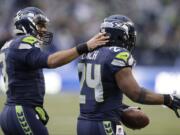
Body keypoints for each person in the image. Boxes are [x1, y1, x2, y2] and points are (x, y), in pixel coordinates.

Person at [0, 7, 109, 135]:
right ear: (26, 24)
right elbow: (51, 61)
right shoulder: (24, 42)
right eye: (40, 25)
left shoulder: (9, 45)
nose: (44, 29)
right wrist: (85, 47)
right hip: (22, 111)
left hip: (9, 111)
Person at [76, 14, 180, 135]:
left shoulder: (87, 53)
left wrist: (121, 108)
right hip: (105, 124)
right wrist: (168, 99)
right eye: (129, 36)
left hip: (83, 124)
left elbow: (99, 95)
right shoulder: (117, 54)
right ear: (121, 35)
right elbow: (136, 94)